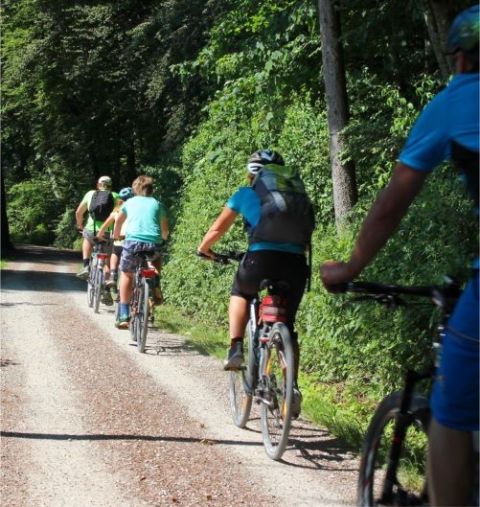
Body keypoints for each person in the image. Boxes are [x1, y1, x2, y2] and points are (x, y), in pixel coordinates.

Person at [320, 6, 478, 505]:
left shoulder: (457, 101)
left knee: (453, 410)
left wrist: (349, 268)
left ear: (461, 58)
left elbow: (390, 206)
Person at [197, 149, 313, 419]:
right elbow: (306, 240)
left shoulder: (246, 194)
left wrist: (204, 249)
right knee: (289, 327)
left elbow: (218, 229)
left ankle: (236, 346)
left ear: (252, 173)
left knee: (241, 291)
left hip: (259, 259)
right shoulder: (297, 197)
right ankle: (291, 387)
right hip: (295, 263)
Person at [113, 175, 169, 329]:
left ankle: (124, 314)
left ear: (135, 189)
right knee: (156, 257)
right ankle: (155, 279)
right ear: (151, 189)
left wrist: (116, 235)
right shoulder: (158, 204)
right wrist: (163, 238)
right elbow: (165, 229)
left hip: (132, 243)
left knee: (126, 274)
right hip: (153, 243)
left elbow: (119, 221)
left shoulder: (129, 202)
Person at [75, 176, 118, 282]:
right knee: (107, 262)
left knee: (87, 238)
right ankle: (107, 291)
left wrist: (80, 225)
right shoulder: (116, 196)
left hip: (91, 230)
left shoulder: (90, 194)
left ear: (98, 185)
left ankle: (85, 265)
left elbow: (78, 213)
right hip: (108, 232)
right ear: (110, 186)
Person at [97, 186, 134, 298]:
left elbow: (105, 226)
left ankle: (113, 274)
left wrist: (100, 234)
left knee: (115, 252)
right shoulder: (136, 210)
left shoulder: (117, 210)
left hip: (119, 241)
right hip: (133, 241)